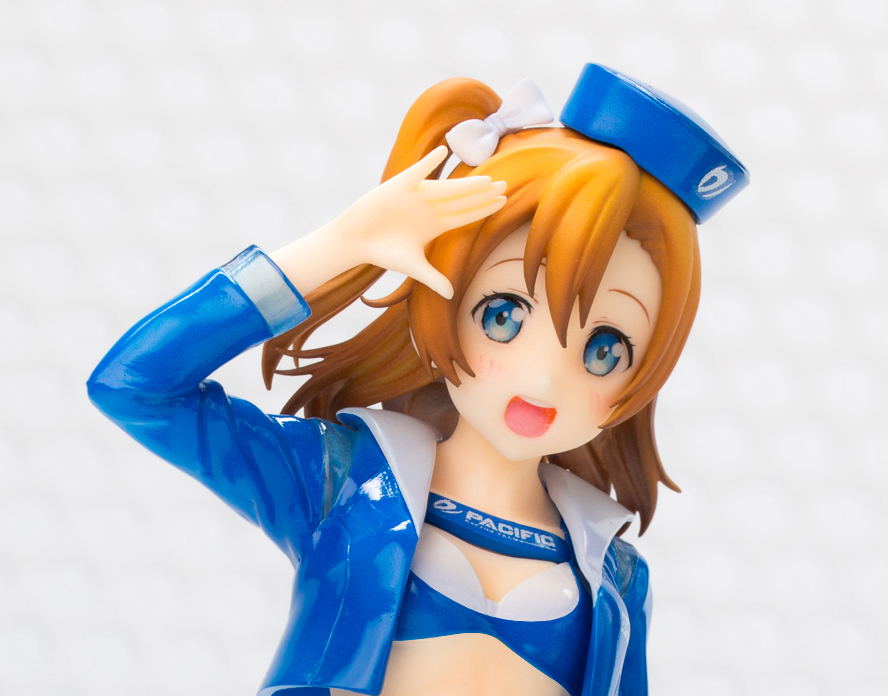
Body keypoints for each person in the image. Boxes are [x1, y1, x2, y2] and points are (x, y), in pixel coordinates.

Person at [88, 64, 747, 696]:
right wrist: (341, 244)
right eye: (504, 316)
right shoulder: (342, 483)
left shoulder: (616, 577)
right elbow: (137, 386)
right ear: (446, 300)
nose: (544, 379)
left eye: (605, 351)